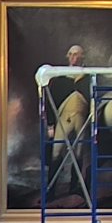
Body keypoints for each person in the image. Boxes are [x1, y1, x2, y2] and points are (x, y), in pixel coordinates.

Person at [42, 44, 92, 204]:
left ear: (82, 56)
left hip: (82, 118)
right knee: (56, 153)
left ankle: (74, 187)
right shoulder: (60, 78)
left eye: (76, 54)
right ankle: (51, 190)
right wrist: (51, 125)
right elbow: (50, 101)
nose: (73, 57)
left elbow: (93, 100)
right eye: (70, 54)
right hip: (63, 118)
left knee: (79, 153)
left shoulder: (89, 78)